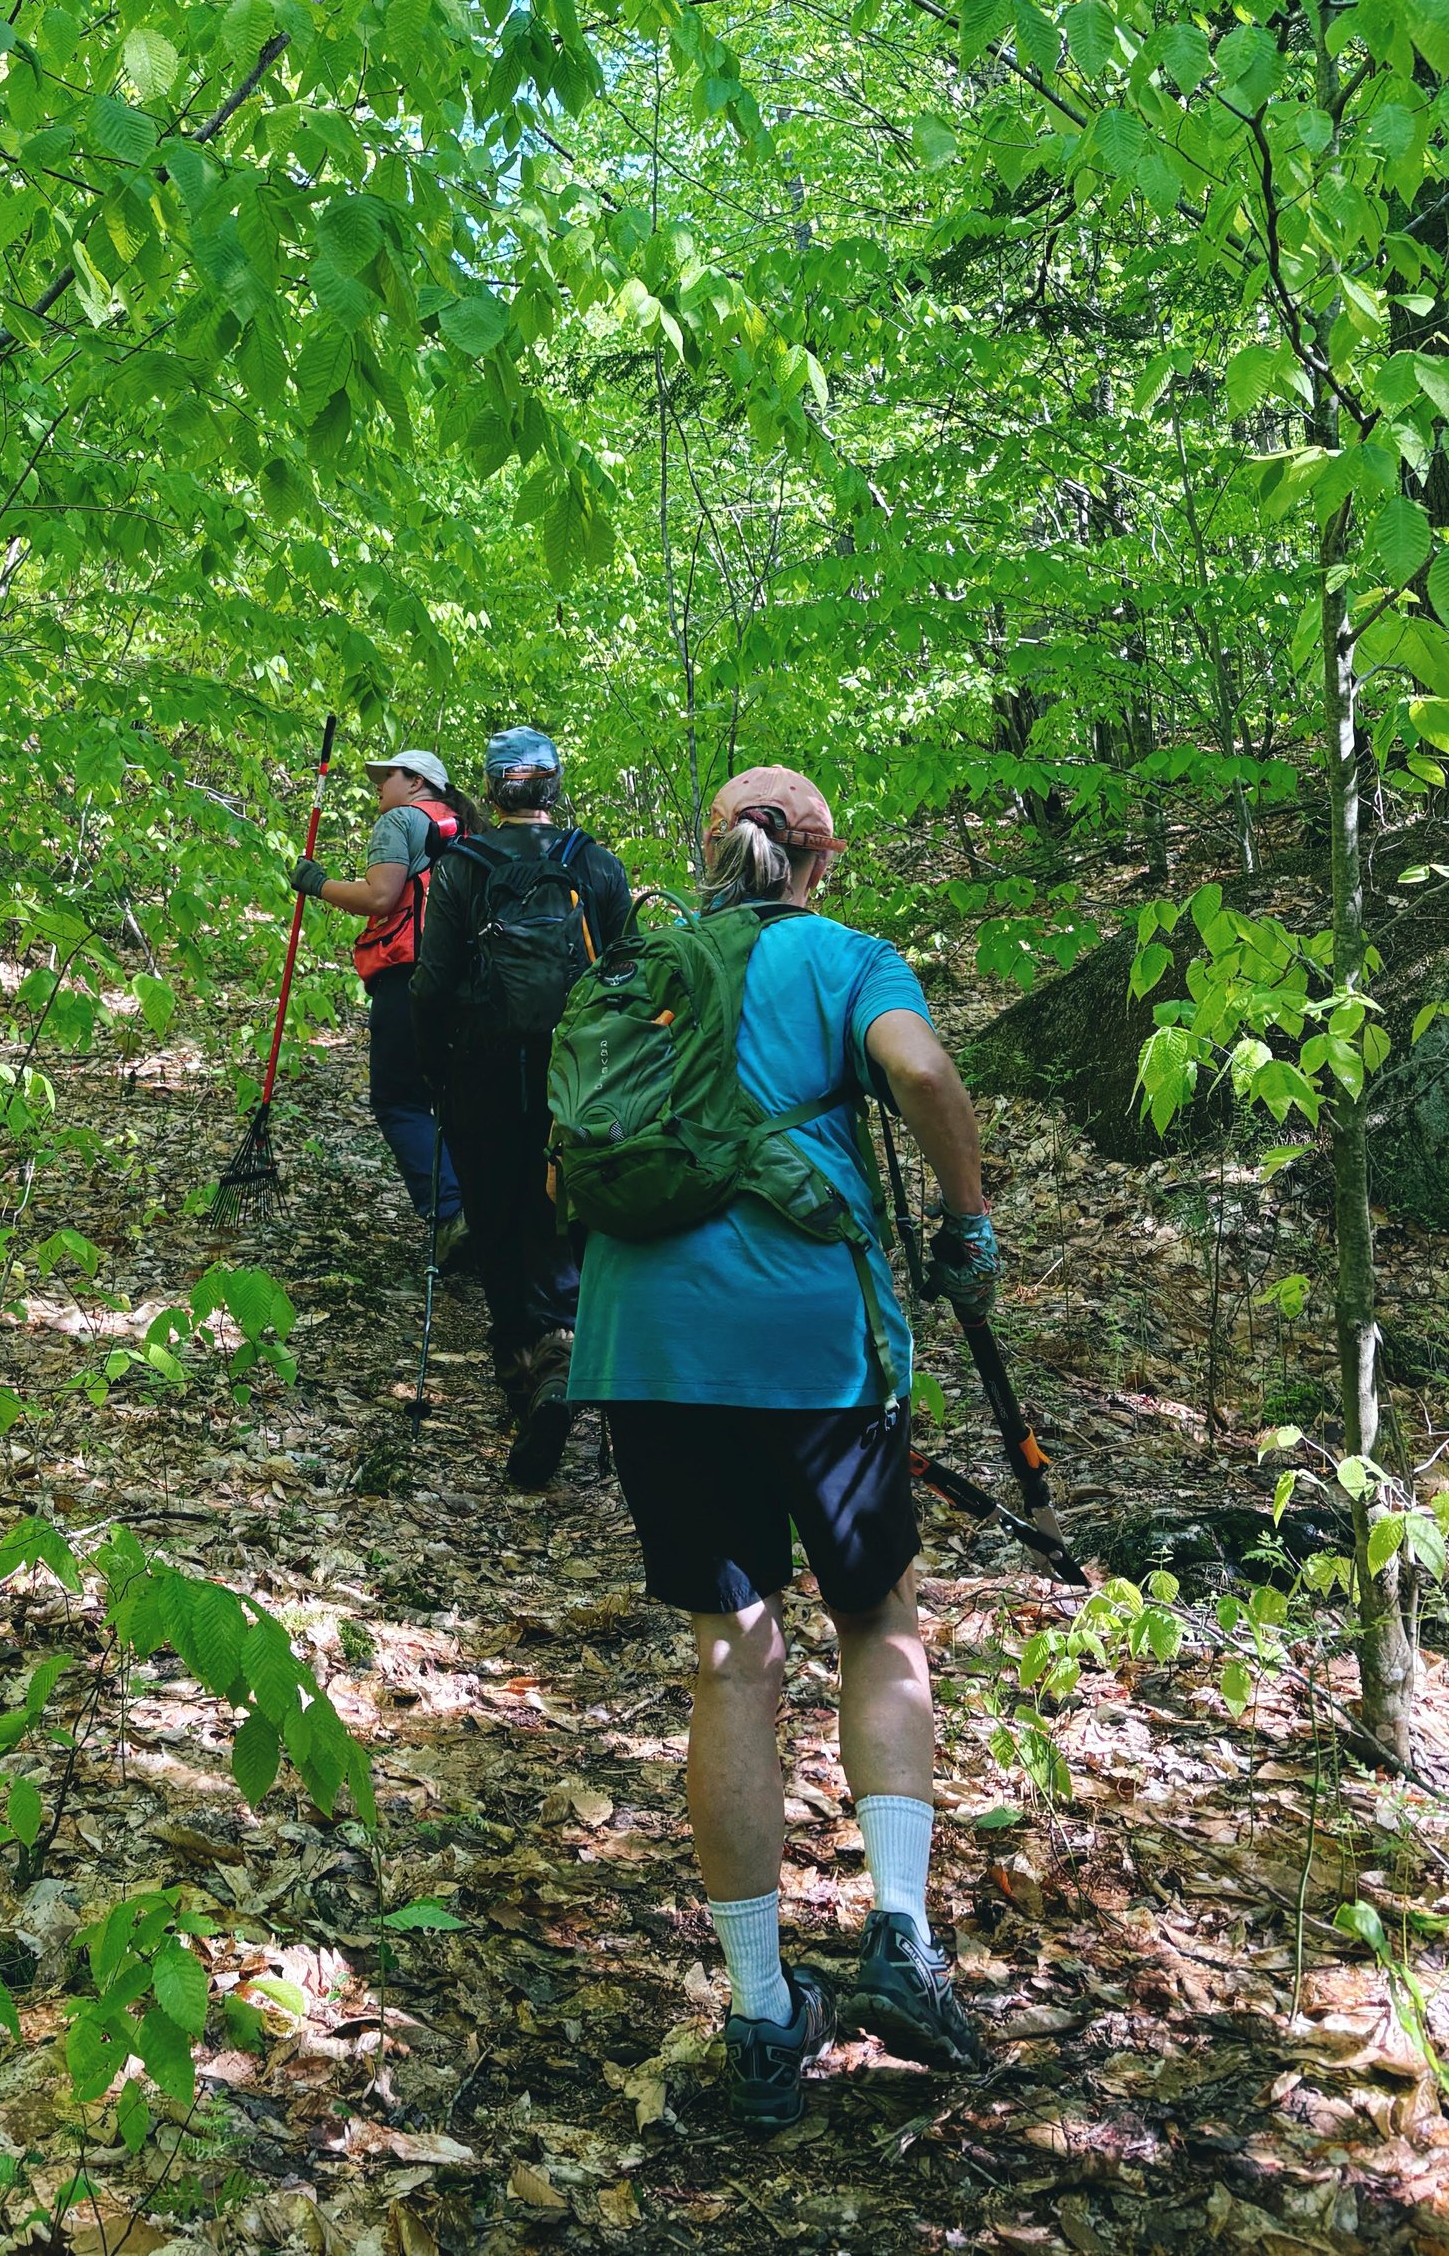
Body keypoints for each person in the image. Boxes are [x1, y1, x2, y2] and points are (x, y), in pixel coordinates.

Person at [564, 765, 999, 2132]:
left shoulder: (647, 971)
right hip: (812, 1343)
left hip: (647, 1347)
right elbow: (919, 1067)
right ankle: (901, 1942)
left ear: (707, 856)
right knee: (878, 1619)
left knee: (730, 1652)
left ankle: (761, 2013)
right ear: (822, 860)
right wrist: (967, 1213)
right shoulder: (845, 957)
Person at [412, 727, 631, 1491]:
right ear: (553, 787)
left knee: (497, 1215)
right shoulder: (596, 864)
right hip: (581, 1077)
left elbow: (430, 985)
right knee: (566, 1213)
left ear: (494, 788)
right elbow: (627, 979)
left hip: (482, 1073)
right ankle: (566, 1351)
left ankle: (522, 1369)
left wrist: (431, 1066)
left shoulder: (462, 868)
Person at [291, 747, 468, 1246]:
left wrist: (317, 882)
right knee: (451, 1101)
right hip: (467, 984)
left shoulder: (401, 822)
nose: (377, 786)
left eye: (385, 776)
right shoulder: (467, 829)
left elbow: (380, 898)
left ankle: (451, 1213)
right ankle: (480, 1210)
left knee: (398, 1101)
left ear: (415, 782)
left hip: (408, 977)